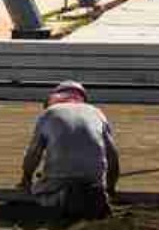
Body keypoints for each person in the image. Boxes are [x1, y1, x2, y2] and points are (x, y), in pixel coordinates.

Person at [19, 81, 120, 220]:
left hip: (60, 178)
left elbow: (33, 154)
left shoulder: (49, 113)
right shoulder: (96, 112)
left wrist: (26, 178)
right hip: (93, 179)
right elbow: (112, 155)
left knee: (40, 193)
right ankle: (96, 194)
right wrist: (111, 187)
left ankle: (61, 198)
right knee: (92, 186)